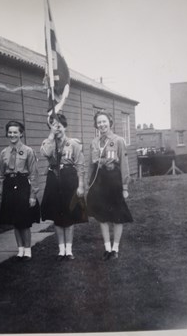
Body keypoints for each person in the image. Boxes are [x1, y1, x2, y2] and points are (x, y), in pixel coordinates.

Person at [40, 113, 88, 260]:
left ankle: (69, 250)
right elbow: (45, 154)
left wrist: (80, 186)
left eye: (59, 126)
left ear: (65, 127)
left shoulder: (73, 144)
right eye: (53, 126)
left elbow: (80, 165)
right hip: (54, 179)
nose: (57, 129)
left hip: (69, 180)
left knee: (69, 216)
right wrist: (50, 136)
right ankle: (61, 250)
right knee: (57, 216)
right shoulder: (48, 142)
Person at [87, 110, 133, 261]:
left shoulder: (118, 140)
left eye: (104, 121)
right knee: (102, 216)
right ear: (96, 125)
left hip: (114, 179)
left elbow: (124, 164)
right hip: (99, 180)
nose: (102, 125)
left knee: (117, 215)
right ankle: (107, 248)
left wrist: (125, 186)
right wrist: (89, 183)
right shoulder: (94, 142)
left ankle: (115, 248)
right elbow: (91, 164)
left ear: (110, 122)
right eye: (99, 122)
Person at [0, 120, 40, 261]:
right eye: (10, 132)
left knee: (24, 220)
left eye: (15, 132)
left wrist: (33, 195)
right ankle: (20, 250)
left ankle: (28, 250)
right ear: (7, 134)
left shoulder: (28, 151)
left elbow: (33, 174)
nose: (12, 135)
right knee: (15, 221)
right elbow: (0, 174)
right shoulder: (4, 152)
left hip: (23, 185)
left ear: (21, 133)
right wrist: (1, 191)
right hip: (10, 185)